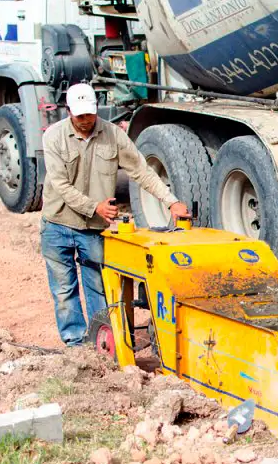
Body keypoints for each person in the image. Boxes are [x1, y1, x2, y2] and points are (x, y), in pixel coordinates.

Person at [41, 83, 190, 346]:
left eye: (90, 114)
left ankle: (102, 343)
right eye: (80, 116)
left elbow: (141, 171)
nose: (86, 121)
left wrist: (171, 201)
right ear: (68, 111)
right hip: (58, 224)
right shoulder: (53, 137)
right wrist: (94, 207)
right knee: (64, 290)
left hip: (93, 228)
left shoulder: (113, 136)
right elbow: (60, 185)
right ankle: (76, 345)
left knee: (98, 286)